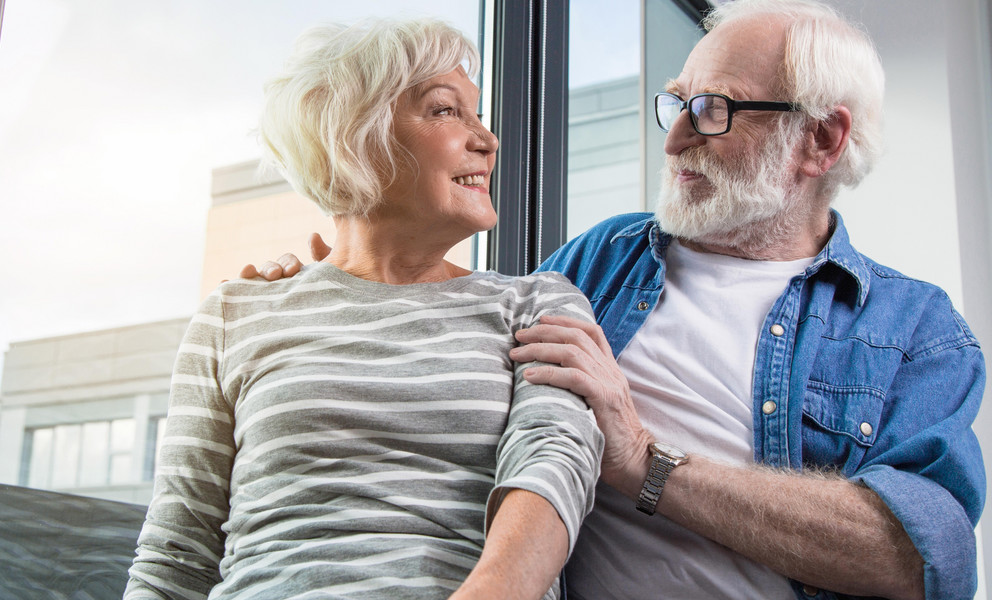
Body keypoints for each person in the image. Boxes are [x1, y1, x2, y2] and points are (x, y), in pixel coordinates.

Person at [254, 1, 986, 599]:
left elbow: (921, 554)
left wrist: (645, 462)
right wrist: (330, 292)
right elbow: (452, 343)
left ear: (820, 140)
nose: (673, 141)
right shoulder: (601, 260)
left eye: (712, 111)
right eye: (676, 104)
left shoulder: (916, 328)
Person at [124, 18, 604, 600]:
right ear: (357, 135)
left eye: (477, 115)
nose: (487, 139)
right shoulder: (234, 314)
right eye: (446, 111)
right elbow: (176, 554)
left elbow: (556, 461)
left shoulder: (537, 302)